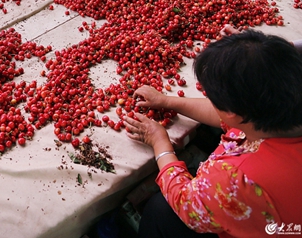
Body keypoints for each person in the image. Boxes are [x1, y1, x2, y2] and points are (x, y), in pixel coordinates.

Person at [124, 30, 302, 238]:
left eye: (213, 98)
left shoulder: (236, 180)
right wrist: (166, 101)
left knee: (160, 211)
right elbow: (228, 117)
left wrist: (159, 142)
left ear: (232, 111)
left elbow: (186, 204)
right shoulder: (276, 108)